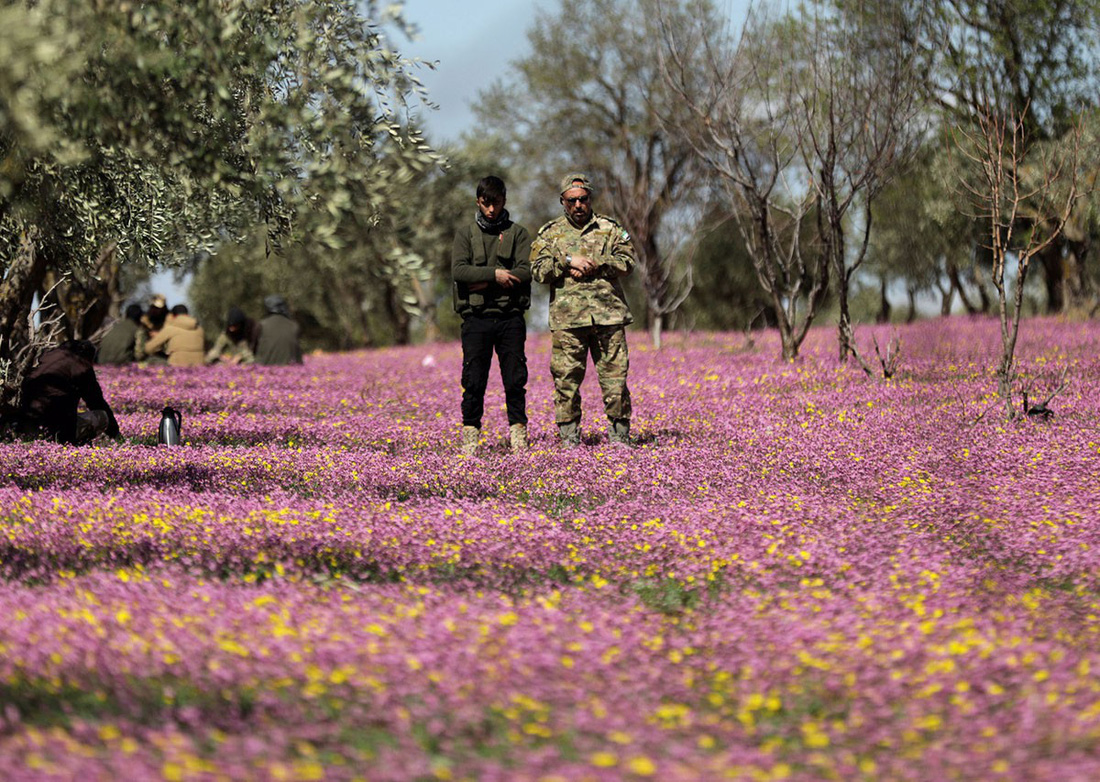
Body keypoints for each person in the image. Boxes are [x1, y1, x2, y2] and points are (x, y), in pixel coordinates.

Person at [530, 172, 636, 448]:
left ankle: (620, 436)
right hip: (568, 321)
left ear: (590, 199)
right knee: (566, 380)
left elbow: (628, 260)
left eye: (583, 199)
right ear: (562, 202)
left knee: (616, 378)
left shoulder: (609, 228)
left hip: (608, 315)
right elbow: (538, 270)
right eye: (572, 200)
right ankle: (569, 439)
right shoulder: (550, 234)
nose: (578, 205)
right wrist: (567, 262)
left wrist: (595, 263)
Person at [451, 175, 533, 455]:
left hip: (510, 318)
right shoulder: (465, 234)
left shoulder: (519, 233)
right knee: (473, 380)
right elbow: (459, 271)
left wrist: (483, 280)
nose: (491, 210)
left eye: (496, 203)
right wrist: (495, 275)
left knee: (515, 379)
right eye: (486, 204)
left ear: (504, 201)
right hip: (476, 319)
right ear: (478, 202)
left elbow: (525, 271)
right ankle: (470, 438)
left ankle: (518, 437)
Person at [19, 340, 122, 445]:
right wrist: (115, 434)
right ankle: (72, 442)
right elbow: (96, 402)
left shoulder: (45, 356)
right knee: (102, 416)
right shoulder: (81, 365)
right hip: (57, 427)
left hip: (26, 422)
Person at [254, 295, 302, 365]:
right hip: (291, 370)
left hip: (265, 369)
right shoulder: (294, 326)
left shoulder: (261, 325)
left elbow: (255, 348)